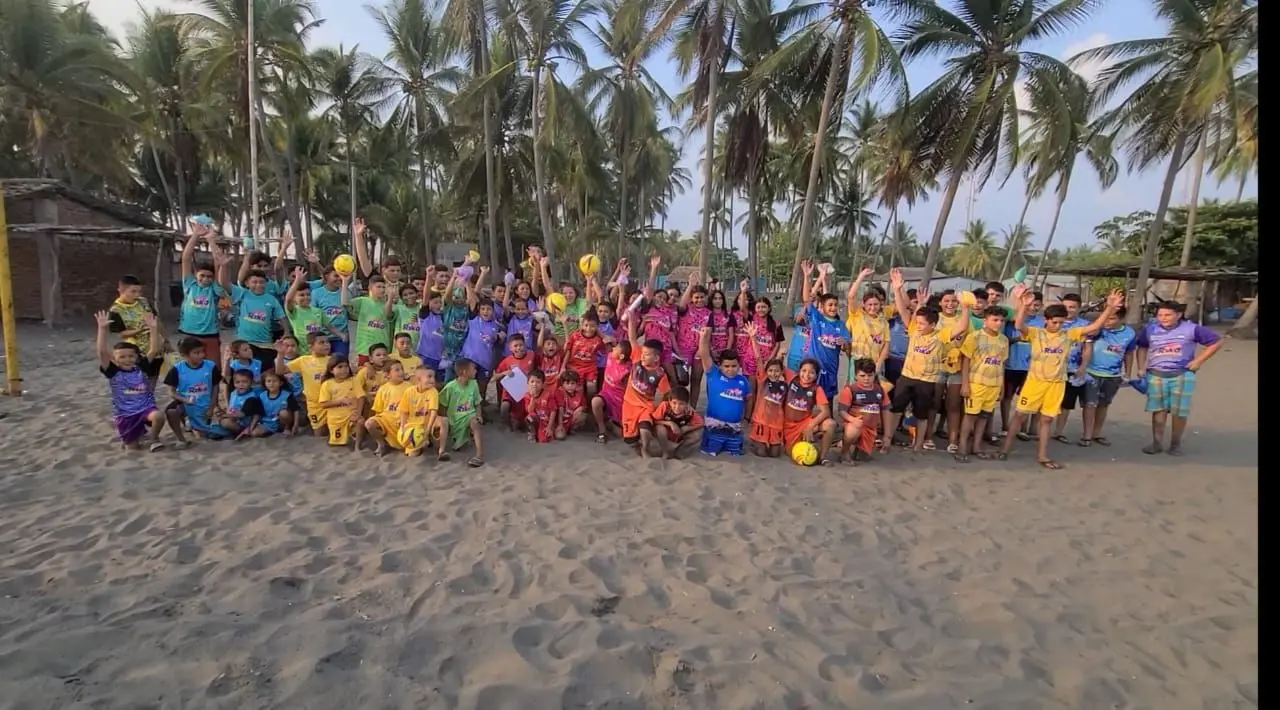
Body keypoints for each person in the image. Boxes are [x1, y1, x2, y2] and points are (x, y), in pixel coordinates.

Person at [999, 286, 1123, 468]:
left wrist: (1110, 308)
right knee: (1019, 416)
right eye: (1055, 322)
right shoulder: (1036, 333)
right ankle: (1005, 450)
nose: (1058, 326)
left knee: (1047, 420)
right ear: (1046, 320)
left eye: (1061, 323)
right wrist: (1023, 305)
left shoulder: (1068, 334)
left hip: (1056, 384)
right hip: (1034, 383)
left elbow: (1095, 326)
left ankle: (1042, 456)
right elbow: (1018, 326)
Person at [884, 268, 961, 453]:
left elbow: (962, 326)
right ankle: (887, 440)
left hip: (926, 381)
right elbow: (902, 309)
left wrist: (965, 307)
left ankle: (918, 444)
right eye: (916, 323)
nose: (917, 325)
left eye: (921, 323)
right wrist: (897, 288)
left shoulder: (940, 335)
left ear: (932, 325)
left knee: (921, 414)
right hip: (907, 377)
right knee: (896, 409)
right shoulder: (914, 330)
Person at [1134, 302, 1224, 455]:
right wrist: (1141, 367)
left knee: (1179, 412)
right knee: (1158, 410)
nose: (1163, 318)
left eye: (1167, 315)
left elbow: (1216, 341)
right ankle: (1156, 443)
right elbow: (1142, 346)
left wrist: (1198, 361)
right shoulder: (1150, 329)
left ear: (1178, 315)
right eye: (1160, 315)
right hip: (1156, 375)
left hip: (1182, 375)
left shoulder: (1192, 329)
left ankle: (1175, 444)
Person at [96, 309, 167, 451]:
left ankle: (154, 439)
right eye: (122, 357)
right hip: (126, 414)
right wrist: (102, 329)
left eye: (130, 356)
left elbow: (154, 349)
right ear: (114, 358)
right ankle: (133, 436)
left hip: (146, 408)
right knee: (133, 448)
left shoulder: (141, 366)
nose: (127, 359)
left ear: (136, 357)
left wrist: (153, 328)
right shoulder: (113, 371)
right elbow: (102, 352)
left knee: (159, 416)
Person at [954, 306, 1010, 462]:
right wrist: (965, 384)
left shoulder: (1004, 340)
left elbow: (1002, 364)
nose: (999, 323)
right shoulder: (975, 337)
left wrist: (1002, 386)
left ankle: (976, 446)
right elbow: (966, 361)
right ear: (986, 320)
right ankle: (962, 447)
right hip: (976, 383)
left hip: (994, 384)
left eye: (1001, 320)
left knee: (984, 416)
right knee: (970, 415)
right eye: (995, 320)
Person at [1077, 306, 1136, 447]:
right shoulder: (1097, 328)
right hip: (1092, 373)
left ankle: (1096, 433)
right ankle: (1086, 435)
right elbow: (1086, 345)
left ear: (1122, 319)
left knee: (1103, 405)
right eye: (1106, 318)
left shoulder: (1130, 333)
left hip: (1113, 375)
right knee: (1090, 404)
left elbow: (1129, 353)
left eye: (1112, 319)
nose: (1107, 321)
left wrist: (1128, 372)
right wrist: (1083, 367)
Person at [221, 262, 288, 374]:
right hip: (245, 343)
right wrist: (224, 265)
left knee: (264, 374)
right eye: (254, 282)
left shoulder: (271, 299)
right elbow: (224, 283)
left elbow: (281, 316)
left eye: (261, 282)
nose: (258, 285)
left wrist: (286, 332)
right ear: (247, 283)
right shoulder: (242, 294)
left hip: (265, 344)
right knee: (241, 375)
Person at [798, 260, 850, 401]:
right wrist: (807, 276)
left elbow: (847, 348)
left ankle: (828, 414)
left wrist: (844, 343)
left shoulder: (841, 325)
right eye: (830, 305)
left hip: (831, 368)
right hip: (813, 367)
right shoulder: (817, 319)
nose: (833, 308)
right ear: (822, 306)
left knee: (828, 400)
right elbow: (807, 299)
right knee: (808, 398)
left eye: (835, 305)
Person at [622, 314, 672, 455]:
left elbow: (666, 394)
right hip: (629, 404)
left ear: (656, 357)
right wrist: (632, 320)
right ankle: (637, 444)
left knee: (645, 429)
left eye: (647, 354)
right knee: (630, 440)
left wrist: (657, 408)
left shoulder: (660, 374)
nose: (643, 356)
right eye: (643, 353)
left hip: (646, 406)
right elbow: (632, 338)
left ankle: (646, 449)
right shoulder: (637, 358)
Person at [176, 223, 228, 358]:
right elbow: (186, 259)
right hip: (189, 333)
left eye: (209, 276)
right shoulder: (190, 285)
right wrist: (195, 235)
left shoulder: (214, 288)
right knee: (190, 366)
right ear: (195, 275)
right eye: (202, 275)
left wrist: (211, 240)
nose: (205, 279)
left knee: (213, 366)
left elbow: (218, 263)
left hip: (210, 334)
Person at [163, 336, 228, 443]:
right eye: (197, 353)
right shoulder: (177, 369)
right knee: (171, 412)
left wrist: (212, 406)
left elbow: (216, 386)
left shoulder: (210, 366)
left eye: (202, 351)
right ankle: (181, 439)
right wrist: (185, 400)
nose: (201, 355)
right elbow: (171, 392)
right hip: (185, 403)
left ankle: (193, 425)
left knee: (204, 434)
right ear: (184, 355)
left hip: (204, 404)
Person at [697, 333, 749, 456]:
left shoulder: (743, 381)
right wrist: (703, 337)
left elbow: (748, 400)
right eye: (726, 366)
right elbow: (704, 354)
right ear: (719, 366)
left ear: (739, 365)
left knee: (736, 453)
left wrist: (746, 418)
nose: (730, 369)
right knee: (711, 452)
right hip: (714, 426)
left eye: (734, 366)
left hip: (734, 428)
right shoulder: (713, 374)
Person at [1000, 290, 1042, 442]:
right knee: (1007, 398)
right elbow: (1004, 339)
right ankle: (1005, 427)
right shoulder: (1011, 320)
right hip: (1010, 365)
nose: (1032, 307)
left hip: (1031, 368)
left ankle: (1023, 429)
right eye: (1029, 304)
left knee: (1026, 398)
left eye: (1036, 305)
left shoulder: (1042, 322)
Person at [1050, 293, 1090, 443]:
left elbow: (1087, 347)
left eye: (1072, 307)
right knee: (1047, 401)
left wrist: (1083, 366)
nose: (1068, 310)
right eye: (1065, 306)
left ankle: (1058, 432)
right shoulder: (1052, 322)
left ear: (1079, 308)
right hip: (1051, 369)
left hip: (1072, 370)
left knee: (1066, 403)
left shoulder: (1085, 325)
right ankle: (1039, 430)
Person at [781, 358, 837, 465]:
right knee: (791, 453)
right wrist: (780, 354)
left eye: (812, 372)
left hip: (804, 423)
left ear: (816, 375)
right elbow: (777, 365)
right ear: (799, 371)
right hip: (787, 425)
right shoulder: (792, 378)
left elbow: (826, 411)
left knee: (830, 424)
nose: (807, 375)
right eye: (804, 371)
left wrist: (810, 426)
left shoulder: (817, 389)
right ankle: (814, 440)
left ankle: (823, 458)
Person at [836, 358, 890, 463]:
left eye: (870, 375)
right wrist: (852, 420)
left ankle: (858, 449)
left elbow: (886, 410)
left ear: (874, 375)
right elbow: (841, 411)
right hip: (854, 426)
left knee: (863, 458)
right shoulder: (850, 390)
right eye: (862, 376)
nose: (866, 379)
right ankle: (844, 453)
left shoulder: (880, 390)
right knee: (853, 430)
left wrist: (887, 436)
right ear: (856, 376)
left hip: (871, 430)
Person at [278, 332, 332, 434]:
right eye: (321, 342)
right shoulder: (303, 360)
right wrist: (280, 354)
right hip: (314, 405)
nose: (326, 345)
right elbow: (280, 371)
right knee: (319, 433)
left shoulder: (333, 360)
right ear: (311, 347)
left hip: (332, 402)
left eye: (328, 342)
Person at [438, 357, 486, 466]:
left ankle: (479, 456)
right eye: (473, 369)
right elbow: (443, 405)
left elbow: (477, 403)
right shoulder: (450, 387)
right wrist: (446, 421)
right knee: (459, 446)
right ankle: (443, 451)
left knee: (475, 423)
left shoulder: (474, 384)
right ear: (464, 372)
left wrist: (479, 415)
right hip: (455, 420)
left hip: (469, 416)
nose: (476, 371)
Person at [284, 269, 342, 353]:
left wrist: (341, 335)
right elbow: (288, 300)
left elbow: (329, 326)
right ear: (294, 298)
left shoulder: (318, 311)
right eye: (301, 295)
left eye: (308, 294)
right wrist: (297, 280)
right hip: (302, 353)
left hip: (318, 352)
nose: (306, 297)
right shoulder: (294, 311)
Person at [845, 267, 890, 374]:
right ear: (863, 304)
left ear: (880, 304)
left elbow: (886, 345)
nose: (873, 307)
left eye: (876, 304)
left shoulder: (884, 322)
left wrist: (879, 364)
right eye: (869, 304)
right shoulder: (857, 314)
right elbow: (851, 296)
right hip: (857, 360)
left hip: (874, 363)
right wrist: (861, 277)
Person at [364, 361, 412, 456]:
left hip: (403, 421)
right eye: (397, 370)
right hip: (387, 421)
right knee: (369, 424)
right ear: (387, 375)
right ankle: (382, 444)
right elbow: (378, 410)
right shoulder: (383, 389)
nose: (401, 372)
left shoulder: (410, 387)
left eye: (402, 369)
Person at [642, 386, 704, 459]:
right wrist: (670, 423)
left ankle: (679, 450)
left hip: (679, 434)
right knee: (659, 428)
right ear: (669, 401)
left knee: (697, 435)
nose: (677, 407)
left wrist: (687, 428)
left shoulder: (689, 412)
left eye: (681, 404)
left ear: (686, 404)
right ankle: (666, 452)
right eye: (674, 403)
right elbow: (654, 420)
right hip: (665, 434)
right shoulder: (664, 406)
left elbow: (702, 423)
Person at [397, 366, 444, 459]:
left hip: (428, 424)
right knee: (412, 454)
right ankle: (422, 444)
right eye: (429, 376)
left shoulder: (433, 392)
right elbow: (403, 411)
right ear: (419, 379)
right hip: (414, 425)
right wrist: (402, 427)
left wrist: (428, 430)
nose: (432, 380)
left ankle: (441, 450)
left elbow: (433, 412)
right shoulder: (409, 391)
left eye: (433, 377)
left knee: (444, 421)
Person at [347, 275, 394, 366]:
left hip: (382, 349)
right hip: (364, 348)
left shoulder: (388, 304)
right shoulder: (362, 301)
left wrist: (390, 298)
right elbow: (344, 302)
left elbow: (387, 314)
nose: (382, 290)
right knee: (364, 372)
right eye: (378, 287)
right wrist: (345, 281)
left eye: (383, 287)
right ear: (370, 287)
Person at [591, 340, 631, 443]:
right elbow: (603, 342)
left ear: (621, 356)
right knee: (595, 402)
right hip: (606, 394)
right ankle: (602, 430)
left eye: (616, 349)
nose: (613, 349)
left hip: (618, 400)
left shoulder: (628, 370)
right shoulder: (610, 356)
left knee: (622, 435)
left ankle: (610, 423)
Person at [317, 356, 362, 448]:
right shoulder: (327, 384)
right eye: (340, 367)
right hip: (336, 419)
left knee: (360, 421)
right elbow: (323, 404)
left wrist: (358, 413)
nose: (344, 369)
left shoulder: (353, 381)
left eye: (346, 366)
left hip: (352, 414)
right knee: (338, 443)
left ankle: (358, 445)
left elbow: (361, 397)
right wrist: (340, 402)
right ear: (331, 370)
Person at [108, 275, 160, 354]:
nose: (137, 295)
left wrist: (166, 341)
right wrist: (139, 330)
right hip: (137, 349)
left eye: (139, 292)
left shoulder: (144, 301)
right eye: (133, 291)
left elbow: (157, 321)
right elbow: (121, 334)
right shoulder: (115, 310)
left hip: (157, 343)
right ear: (121, 291)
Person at [495, 332, 536, 429]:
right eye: (515, 346)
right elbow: (495, 377)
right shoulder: (507, 361)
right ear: (510, 348)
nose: (518, 348)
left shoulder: (532, 355)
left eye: (521, 345)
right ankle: (508, 425)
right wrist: (503, 373)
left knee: (522, 424)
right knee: (504, 407)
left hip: (526, 392)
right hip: (510, 393)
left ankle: (520, 420)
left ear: (525, 345)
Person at [242, 370, 299, 437]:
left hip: (282, 422)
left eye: (274, 381)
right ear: (265, 383)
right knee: (254, 433)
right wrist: (251, 427)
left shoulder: (287, 395)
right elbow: (258, 413)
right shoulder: (262, 396)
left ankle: (286, 429)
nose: (271, 383)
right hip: (268, 423)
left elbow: (296, 410)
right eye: (269, 381)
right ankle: (272, 432)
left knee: (283, 413)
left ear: (281, 383)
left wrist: (295, 425)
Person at [563, 312, 605, 395]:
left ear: (597, 326)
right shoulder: (575, 336)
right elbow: (568, 350)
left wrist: (601, 334)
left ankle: (590, 402)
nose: (588, 329)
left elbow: (611, 344)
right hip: (575, 366)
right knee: (579, 389)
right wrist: (563, 366)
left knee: (592, 387)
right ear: (582, 325)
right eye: (586, 325)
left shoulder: (598, 340)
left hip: (590, 367)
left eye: (592, 326)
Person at [523, 370, 562, 443]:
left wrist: (549, 427)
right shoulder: (527, 395)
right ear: (528, 383)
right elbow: (530, 411)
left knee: (544, 439)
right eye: (532, 382)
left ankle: (543, 431)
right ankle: (532, 433)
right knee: (529, 417)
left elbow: (553, 411)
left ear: (543, 384)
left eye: (538, 382)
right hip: (536, 420)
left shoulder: (548, 395)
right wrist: (533, 397)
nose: (534, 384)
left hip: (546, 421)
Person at [220, 369, 260, 439]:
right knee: (221, 422)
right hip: (234, 418)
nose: (241, 384)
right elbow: (231, 407)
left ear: (251, 382)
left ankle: (242, 432)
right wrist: (225, 412)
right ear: (234, 383)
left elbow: (243, 414)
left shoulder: (252, 397)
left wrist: (225, 415)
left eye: (245, 382)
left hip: (244, 423)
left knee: (225, 422)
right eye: (237, 382)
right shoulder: (233, 393)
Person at [556, 370, 590, 439]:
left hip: (570, 418)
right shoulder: (559, 392)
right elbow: (560, 409)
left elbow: (584, 406)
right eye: (567, 383)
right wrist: (560, 424)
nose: (570, 386)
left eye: (572, 383)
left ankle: (570, 428)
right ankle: (560, 428)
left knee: (583, 416)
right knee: (560, 436)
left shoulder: (579, 394)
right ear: (563, 384)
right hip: (559, 420)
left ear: (576, 384)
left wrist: (580, 408)